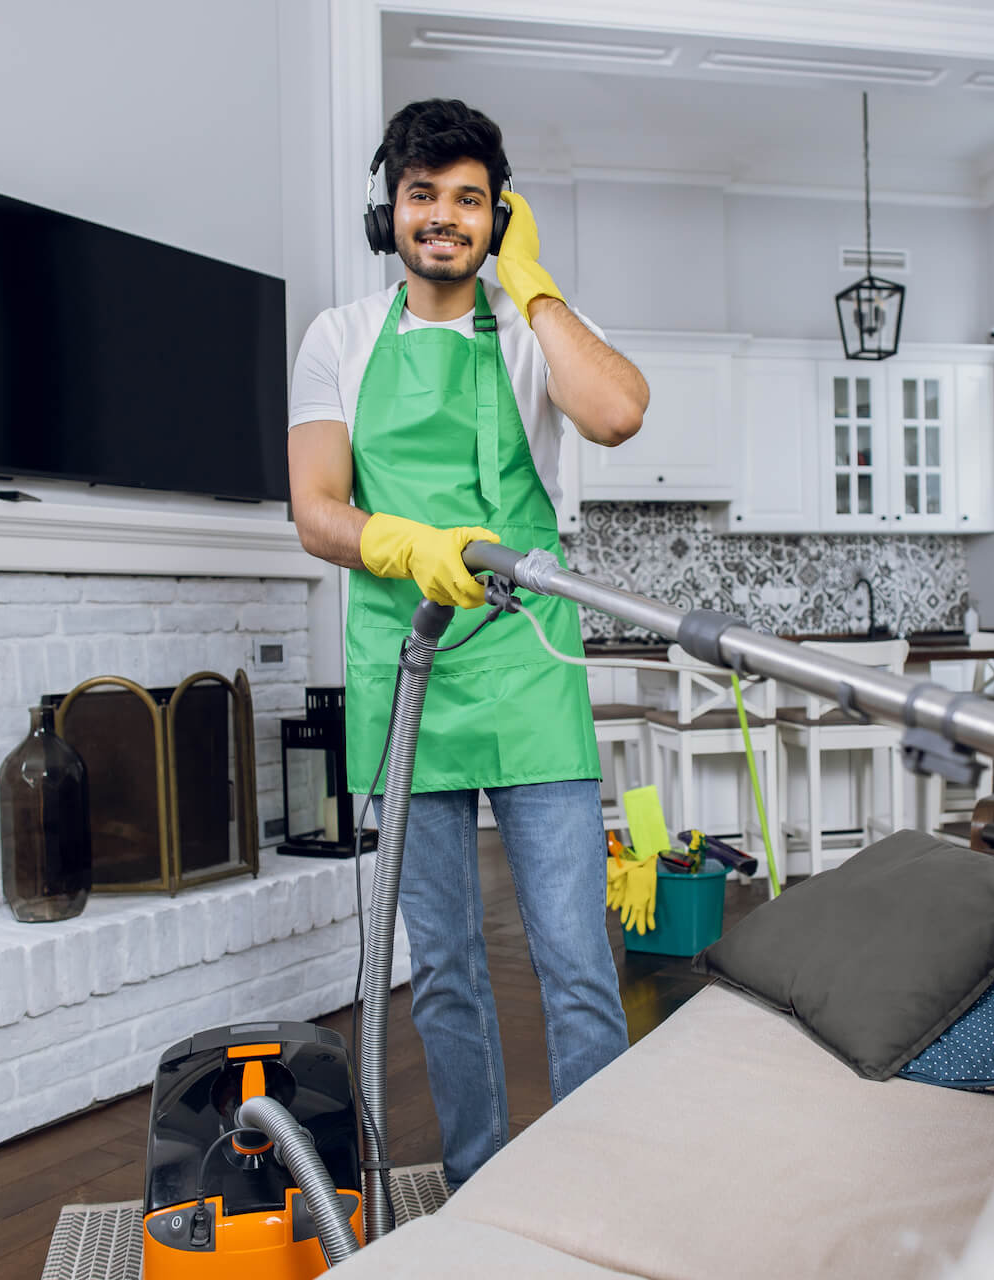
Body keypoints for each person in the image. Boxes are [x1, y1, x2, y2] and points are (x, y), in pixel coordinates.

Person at [286, 98, 648, 1189]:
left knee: (577, 958)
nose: (442, 217)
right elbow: (315, 508)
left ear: (499, 216)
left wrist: (532, 283)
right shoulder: (341, 338)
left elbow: (621, 411)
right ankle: (487, 1183)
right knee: (443, 966)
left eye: (469, 199)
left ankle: (597, 1188)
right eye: (422, 195)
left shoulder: (532, 333)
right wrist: (400, 541)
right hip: (406, 672)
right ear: (387, 210)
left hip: (528, 663)